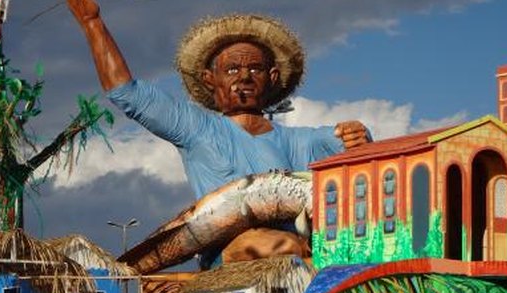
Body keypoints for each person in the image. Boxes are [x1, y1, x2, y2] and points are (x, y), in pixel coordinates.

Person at [67, 1, 371, 261]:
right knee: (273, 244)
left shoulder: (301, 141)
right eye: (232, 70)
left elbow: (360, 159)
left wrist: (357, 135)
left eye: (255, 69)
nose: (244, 77)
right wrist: (92, 23)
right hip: (229, 253)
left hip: (300, 252)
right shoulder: (196, 128)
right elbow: (128, 93)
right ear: (210, 79)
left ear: (272, 77)